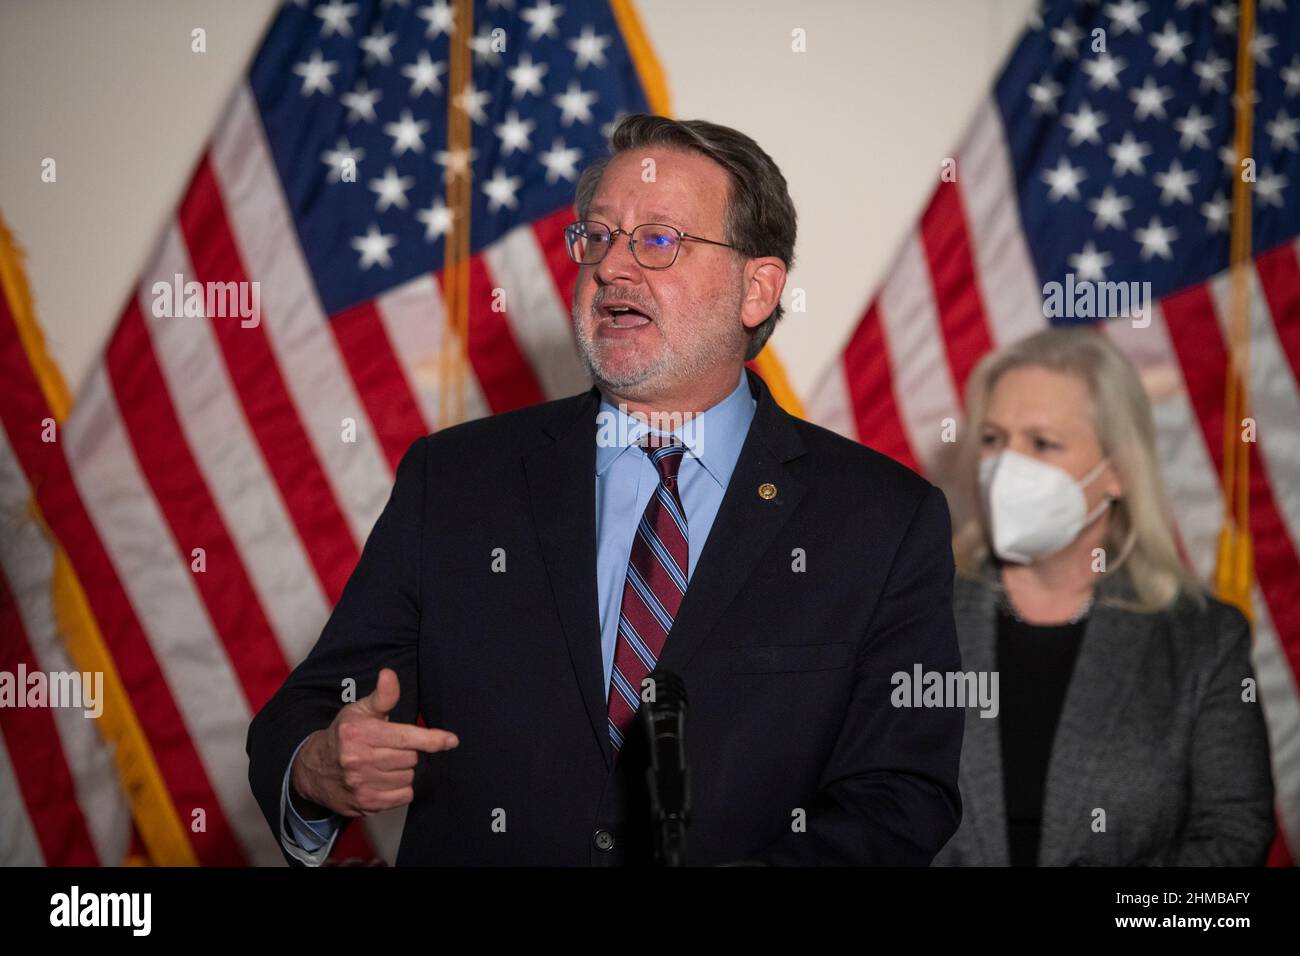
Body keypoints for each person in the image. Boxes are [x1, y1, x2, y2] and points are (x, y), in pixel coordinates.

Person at [247, 114, 964, 865]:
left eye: (658, 240)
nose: (612, 269)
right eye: (597, 237)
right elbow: (312, 709)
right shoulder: (456, 481)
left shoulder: (880, 519)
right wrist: (317, 766)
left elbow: (900, 796)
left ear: (757, 290)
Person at [931, 327, 1275, 867]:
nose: (1007, 467)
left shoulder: (1203, 641)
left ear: (1117, 469)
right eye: (994, 439)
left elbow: (1233, 836)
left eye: (1042, 443)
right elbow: (858, 808)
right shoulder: (908, 616)